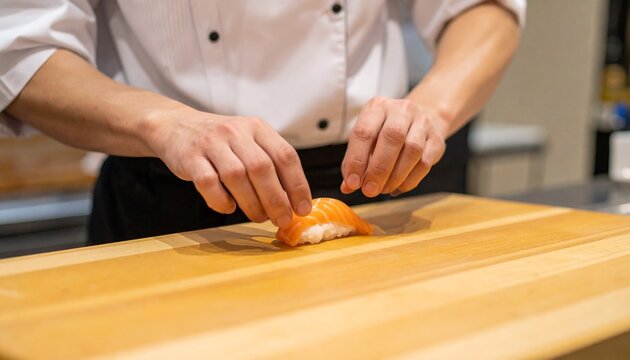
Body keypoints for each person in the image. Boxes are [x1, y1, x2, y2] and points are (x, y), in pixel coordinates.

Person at [0, 1, 524, 244]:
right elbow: (20, 45)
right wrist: (164, 123)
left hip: (365, 181)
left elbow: (483, 7)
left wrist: (431, 108)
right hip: (164, 199)